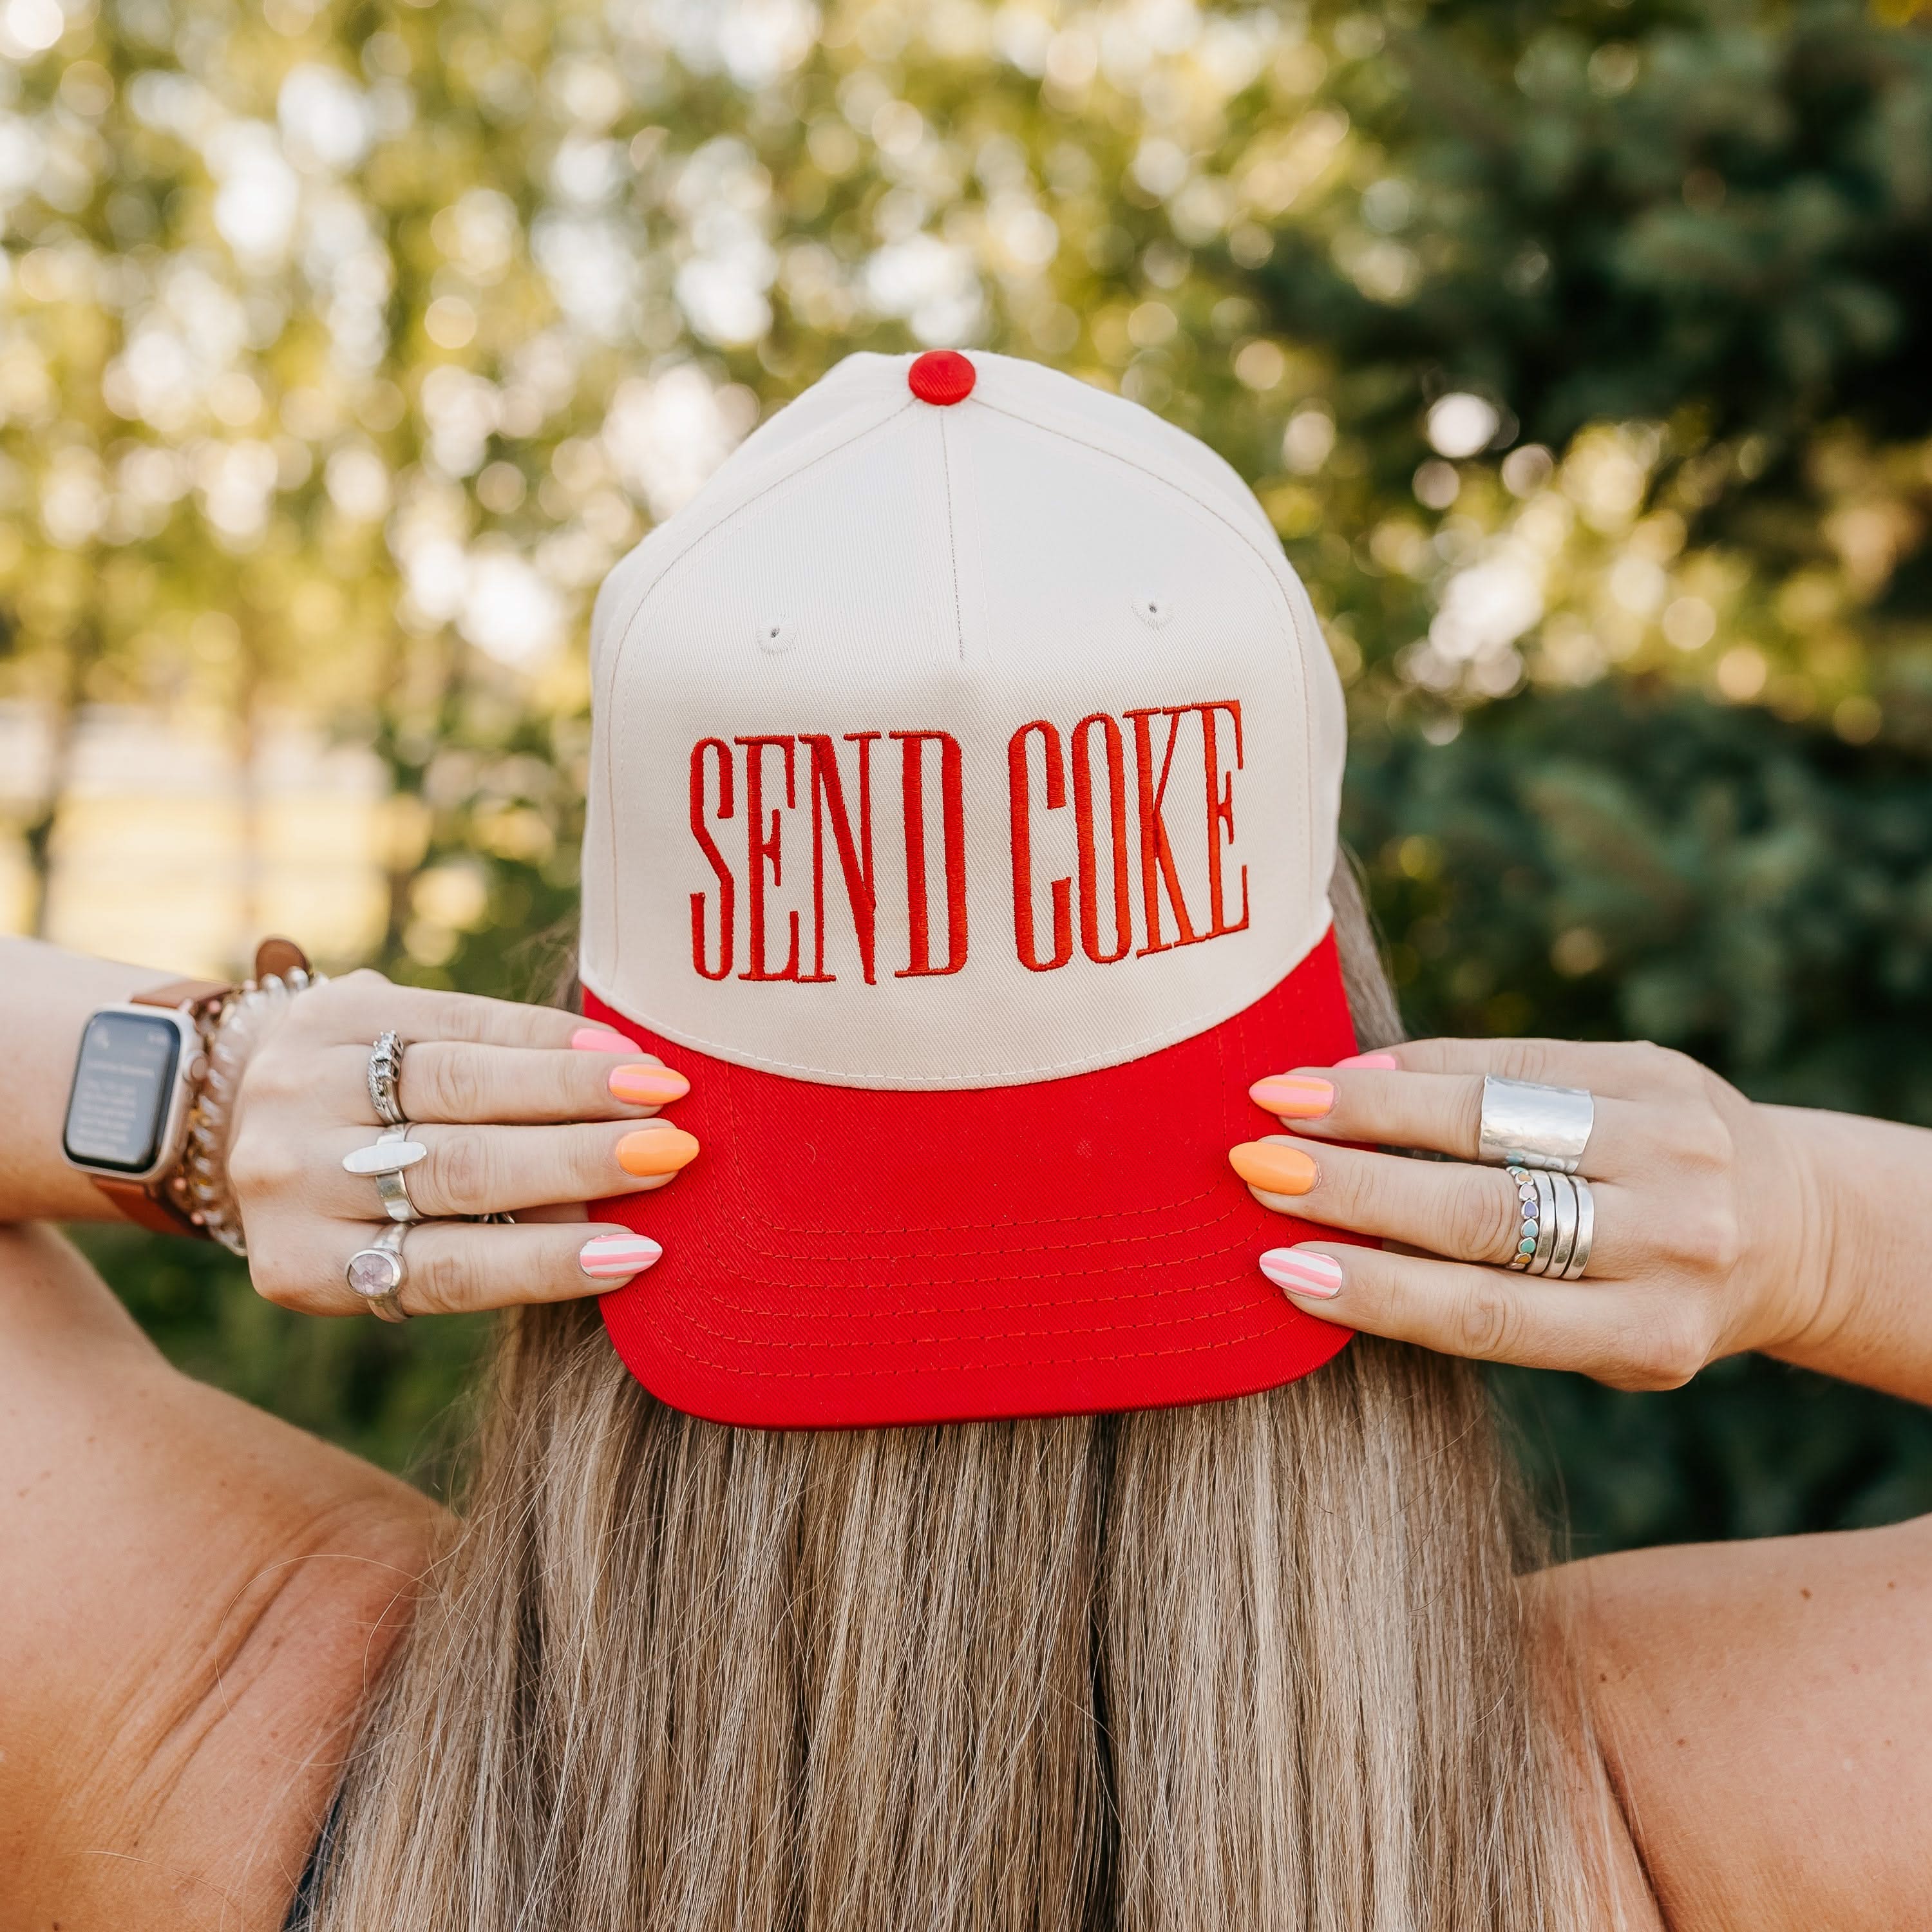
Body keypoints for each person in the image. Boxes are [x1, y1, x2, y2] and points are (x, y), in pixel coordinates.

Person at [4, 351, 1929, 1932]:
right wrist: (1810, 1227)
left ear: (595, 1017)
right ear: (1333, 970)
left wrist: (195, 1091)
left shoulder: (231, 1741)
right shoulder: (1641, 1820)